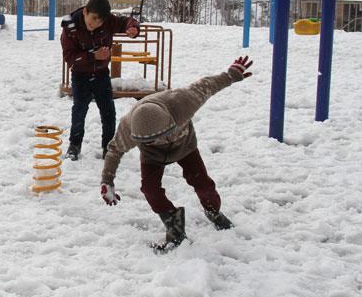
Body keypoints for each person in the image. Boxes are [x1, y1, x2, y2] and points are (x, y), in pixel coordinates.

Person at [99, 56, 254, 253]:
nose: (160, 142)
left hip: (184, 145)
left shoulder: (182, 101)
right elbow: (114, 151)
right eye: (153, 140)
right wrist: (107, 180)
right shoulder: (128, 127)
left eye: (162, 137)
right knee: (150, 190)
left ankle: (214, 212)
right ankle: (175, 229)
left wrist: (231, 75)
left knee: (202, 182)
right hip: (152, 157)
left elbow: (206, 86)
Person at [60, 0, 139, 161]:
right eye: (93, 19)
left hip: (101, 74)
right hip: (80, 75)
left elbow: (127, 21)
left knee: (108, 111)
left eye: (99, 21)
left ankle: (108, 147)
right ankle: (74, 145)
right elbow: (70, 58)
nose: (95, 24)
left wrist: (133, 28)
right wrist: (93, 56)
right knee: (79, 110)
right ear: (85, 12)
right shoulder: (70, 27)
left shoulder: (109, 21)